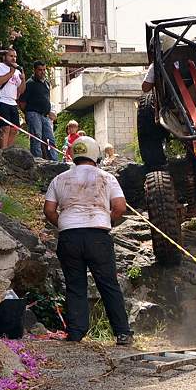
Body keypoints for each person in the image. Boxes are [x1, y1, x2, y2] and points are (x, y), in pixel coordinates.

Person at [43, 137, 134, 345]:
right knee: (108, 284)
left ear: (74, 154)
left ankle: (75, 333)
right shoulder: (106, 177)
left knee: (75, 285)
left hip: (69, 237)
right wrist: (105, 218)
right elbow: (120, 207)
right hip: (97, 236)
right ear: (96, 155)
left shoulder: (59, 179)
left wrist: (65, 223)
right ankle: (122, 333)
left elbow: (49, 210)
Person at [20, 60, 58, 160]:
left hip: (45, 115)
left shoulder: (46, 83)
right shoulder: (30, 83)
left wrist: (49, 111)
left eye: (44, 70)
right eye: (40, 70)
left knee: (50, 139)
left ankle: (54, 161)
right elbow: (22, 102)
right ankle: (37, 160)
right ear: (35, 70)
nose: (42, 72)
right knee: (36, 137)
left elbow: (45, 100)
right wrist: (28, 114)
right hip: (33, 114)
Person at [0, 49, 26, 149]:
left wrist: (23, 79)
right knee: (5, 128)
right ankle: (3, 151)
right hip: (2, 100)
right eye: (11, 56)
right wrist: (11, 73)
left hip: (13, 102)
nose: (13, 58)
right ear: (4, 57)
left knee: (14, 129)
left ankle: (9, 152)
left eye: (15, 56)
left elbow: (21, 90)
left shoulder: (17, 71)